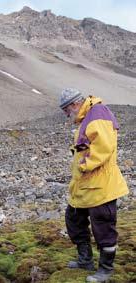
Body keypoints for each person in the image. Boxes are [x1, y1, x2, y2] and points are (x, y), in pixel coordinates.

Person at [59, 88, 129, 282]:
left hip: (101, 186)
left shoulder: (98, 113)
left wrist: (85, 164)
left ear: (74, 104)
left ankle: (106, 270)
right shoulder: (88, 117)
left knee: (103, 227)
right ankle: (85, 260)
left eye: (66, 110)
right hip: (84, 186)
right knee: (73, 220)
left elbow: (104, 147)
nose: (66, 114)